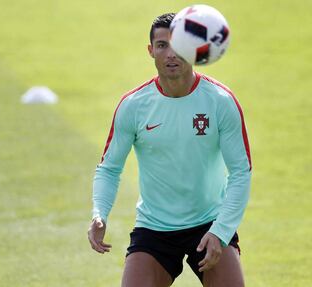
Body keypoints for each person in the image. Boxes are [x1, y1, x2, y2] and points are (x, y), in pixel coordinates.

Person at [88, 12, 252, 287]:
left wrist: (221, 231)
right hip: (155, 227)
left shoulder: (220, 101)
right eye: (162, 45)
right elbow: (109, 168)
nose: (171, 54)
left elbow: (241, 172)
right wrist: (99, 213)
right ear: (151, 51)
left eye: (178, 45)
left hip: (210, 222)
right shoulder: (134, 106)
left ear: (193, 49)